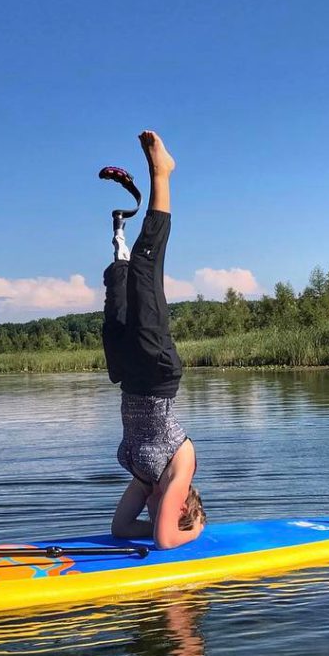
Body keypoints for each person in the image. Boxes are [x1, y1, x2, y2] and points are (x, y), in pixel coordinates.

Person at [100, 131, 206, 550]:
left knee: (118, 294)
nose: (150, 509)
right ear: (181, 509)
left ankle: (119, 240)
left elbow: (120, 529)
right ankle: (162, 173)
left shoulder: (147, 479)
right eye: (164, 511)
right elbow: (164, 540)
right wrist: (194, 533)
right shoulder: (181, 468)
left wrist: (150, 528)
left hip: (129, 374)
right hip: (156, 371)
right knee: (145, 273)